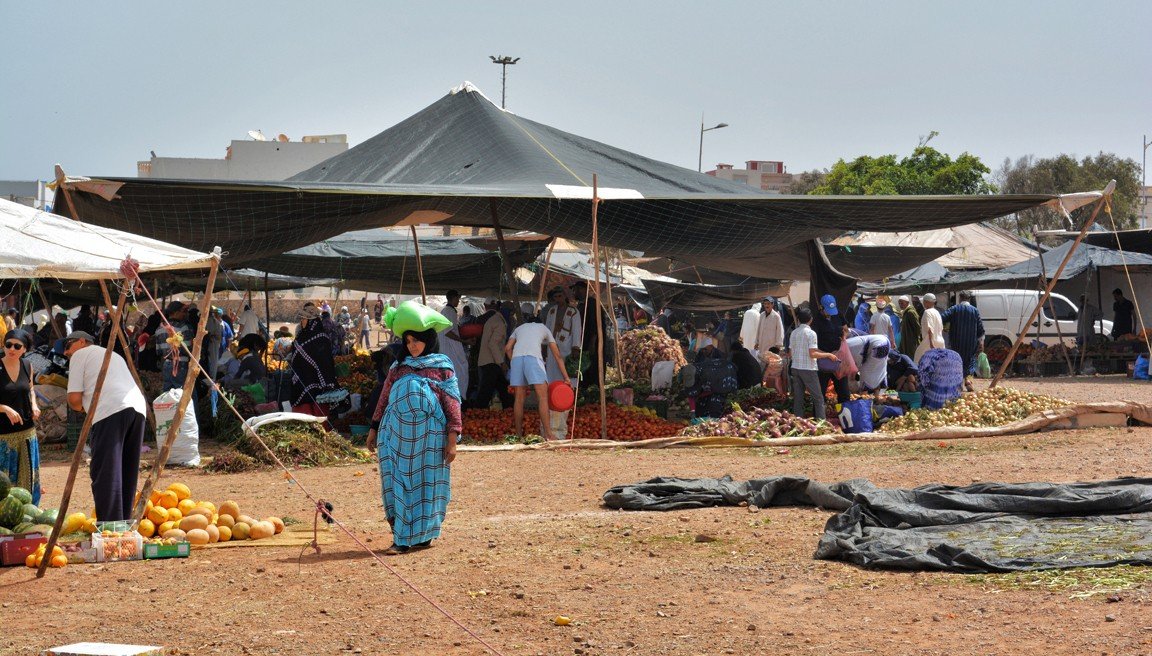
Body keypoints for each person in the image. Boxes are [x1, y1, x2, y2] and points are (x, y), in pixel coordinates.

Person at [367, 327, 460, 555]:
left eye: (417, 340)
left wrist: (452, 438)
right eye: (408, 341)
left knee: (427, 484)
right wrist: (373, 428)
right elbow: (385, 398)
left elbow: (452, 402)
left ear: (428, 340)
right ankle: (402, 538)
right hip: (395, 435)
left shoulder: (442, 366)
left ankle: (424, 534)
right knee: (397, 483)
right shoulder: (398, 367)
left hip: (429, 437)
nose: (412, 346)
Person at [64, 330, 147, 522]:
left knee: (106, 471)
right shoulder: (112, 354)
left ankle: (111, 528)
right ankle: (123, 525)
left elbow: (74, 399)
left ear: (82, 341)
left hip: (110, 409)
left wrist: (81, 406)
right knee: (126, 470)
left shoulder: (80, 354)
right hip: (137, 408)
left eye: (68, 347)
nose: (66, 353)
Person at [505, 318, 569, 441]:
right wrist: (566, 377)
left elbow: (507, 348)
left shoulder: (519, 328)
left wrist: (514, 361)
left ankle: (519, 435)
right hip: (533, 358)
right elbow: (557, 355)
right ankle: (549, 434)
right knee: (543, 397)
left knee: (518, 399)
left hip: (517, 359)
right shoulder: (544, 328)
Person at [0, 329, 40, 506]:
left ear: (25, 349)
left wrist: (34, 404)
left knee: (28, 478)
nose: (12, 349)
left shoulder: (27, 365)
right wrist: (4, 408)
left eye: (17, 346)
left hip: (27, 432)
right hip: (3, 435)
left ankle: (27, 515)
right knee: (4, 483)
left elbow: (30, 388)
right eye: (8, 344)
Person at [289, 303, 339, 419]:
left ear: (312, 320)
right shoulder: (301, 336)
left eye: (304, 319)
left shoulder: (322, 339)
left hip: (320, 388)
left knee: (320, 419)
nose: (302, 321)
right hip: (302, 383)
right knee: (304, 422)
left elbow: (326, 364)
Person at [788, 307, 838, 421]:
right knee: (818, 398)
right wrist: (828, 355)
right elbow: (812, 354)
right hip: (808, 369)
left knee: (798, 398)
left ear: (799, 320)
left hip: (795, 368)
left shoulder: (794, 333)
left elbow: (790, 353)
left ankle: (798, 422)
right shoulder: (811, 333)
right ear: (811, 319)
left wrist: (825, 353)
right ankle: (822, 423)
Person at [471, 298, 514, 410]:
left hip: (490, 361)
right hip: (491, 362)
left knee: (503, 389)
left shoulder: (495, 319)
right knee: (485, 393)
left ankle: (509, 410)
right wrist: (502, 362)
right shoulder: (500, 323)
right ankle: (476, 414)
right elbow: (493, 344)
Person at [940, 291, 985, 388]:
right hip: (971, 343)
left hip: (956, 341)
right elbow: (980, 329)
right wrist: (981, 342)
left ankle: (958, 383)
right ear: (969, 299)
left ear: (960, 298)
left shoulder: (954, 309)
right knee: (969, 362)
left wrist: (944, 327)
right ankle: (968, 381)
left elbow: (942, 318)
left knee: (957, 361)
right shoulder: (974, 310)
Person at [811, 294, 850, 404]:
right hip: (824, 360)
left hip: (838, 359)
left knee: (844, 392)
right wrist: (826, 354)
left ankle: (844, 416)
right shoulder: (816, 320)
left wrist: (844, 337)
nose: (830, 313)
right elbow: (813, 344)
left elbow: (846, 329)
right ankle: (820, 417)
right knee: (820, 393)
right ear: (821, 308)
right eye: (828, 310)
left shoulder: (838, 315)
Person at [571, 281, 606, 389]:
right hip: (585, 342)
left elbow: (595, 325)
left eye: (576, 290)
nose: (574, 292)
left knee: (593, 367)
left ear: (583, 290)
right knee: (585, 367)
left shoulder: (592, 304)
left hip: (593, 343)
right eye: (574, 290)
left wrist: (592, 342)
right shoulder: (581, 305)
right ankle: (586, 389)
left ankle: (594, 390)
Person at [438, 290, 470, 397]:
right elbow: (448, 332)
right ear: (453, 298)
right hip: (450, 348)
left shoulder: (447, 311)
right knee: (460, 370)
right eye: (457, 299)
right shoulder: (449, 311)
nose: (458, 301)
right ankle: (459, 396)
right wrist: (464, 341)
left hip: (447, 347)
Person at [754, 297, 785, 366]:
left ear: (772, 304)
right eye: (765, 304)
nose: (766, 305)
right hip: (762, 343)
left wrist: (778, 345)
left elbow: (780, 330)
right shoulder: (762, 315)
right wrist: (756, 342)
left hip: (771, 344)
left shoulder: (776, 316)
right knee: (762, 361)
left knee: (770, 364)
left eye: (768, 304)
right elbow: (758, 329)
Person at [915, 293, 945, 363]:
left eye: (924, 302)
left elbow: (930, 329)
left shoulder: (927, 312)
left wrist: (931, 344)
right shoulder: (937, 312)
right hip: (940, 341)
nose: (923, 303)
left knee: (917, 360)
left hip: (930, 342)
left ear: (927, 302)